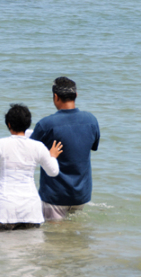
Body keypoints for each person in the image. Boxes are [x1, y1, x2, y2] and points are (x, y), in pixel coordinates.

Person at [0, 104, 63, 231]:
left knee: (3, 248)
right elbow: (53, 172)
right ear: (28, 124)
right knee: (29, 249)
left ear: (9, 124)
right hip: (31, 211)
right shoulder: (38, 146)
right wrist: (52, 157)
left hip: (4, 210)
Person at [30, 76, 100, 220]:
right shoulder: (91, 121)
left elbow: (28, 154)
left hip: (55, 195)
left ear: (55, 97)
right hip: (81, 195)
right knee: (76, 239)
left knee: (55, 239)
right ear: (76, 95)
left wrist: (48, 155)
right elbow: (93, 146)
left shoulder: (46, 124)